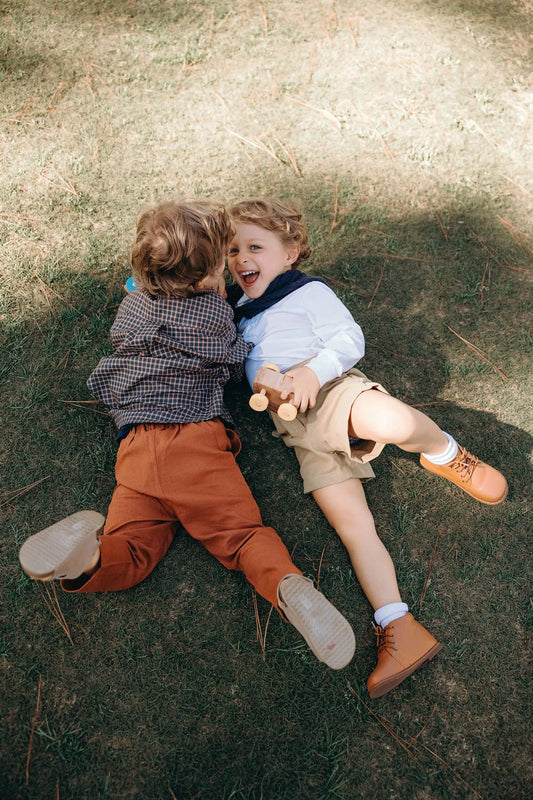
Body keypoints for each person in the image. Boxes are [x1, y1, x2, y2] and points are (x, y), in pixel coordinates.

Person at [18, 200, 356, 671]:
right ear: (208, 276)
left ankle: (89, 558)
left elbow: (144, 285)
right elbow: (233, 361)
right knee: (241, 537)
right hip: (193, 445)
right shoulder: (215, 317)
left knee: (133, 551)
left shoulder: (133, 304)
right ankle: (284, 583)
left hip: (136, 448)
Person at [226, 198, 508, 698]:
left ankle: (446, 453)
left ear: (290, 252)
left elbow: (349, 337)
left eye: (254, 247)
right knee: (353, 527)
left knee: (392, 420)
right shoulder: (235, 311)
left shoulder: (304, 292)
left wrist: (313, 371)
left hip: (333, 391)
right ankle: (398, 627)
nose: (242, 259)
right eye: (232, 252)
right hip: (296, 432)